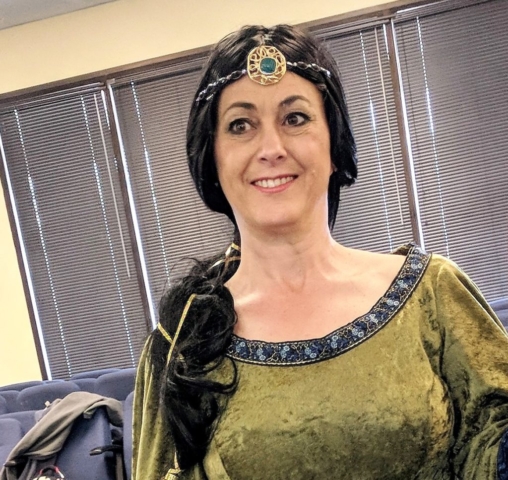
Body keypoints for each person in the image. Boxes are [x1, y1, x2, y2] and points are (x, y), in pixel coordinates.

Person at [132, 24, 508, 480]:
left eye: (294, 119)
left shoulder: (431, 293)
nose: (271, 148)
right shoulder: (182, 342)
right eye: (240, 125)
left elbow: (489, 442)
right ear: (213, 158)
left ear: (334, 144)